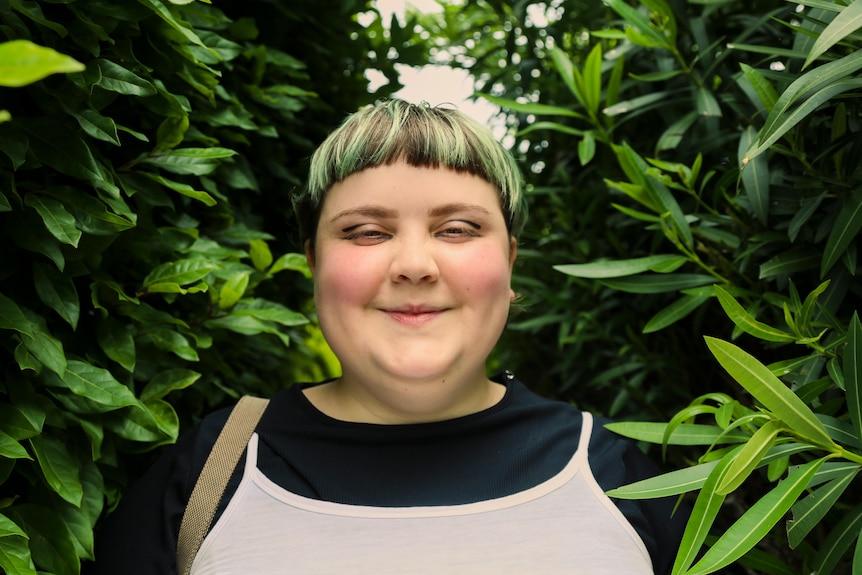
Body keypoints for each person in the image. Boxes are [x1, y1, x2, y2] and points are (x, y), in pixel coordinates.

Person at [87, 99, 687, 574]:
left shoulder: (615, 469)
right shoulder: (210, 471)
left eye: (456, 229)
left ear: (510, 264)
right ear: (315, 265)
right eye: (368, 232)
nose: (415, 264)